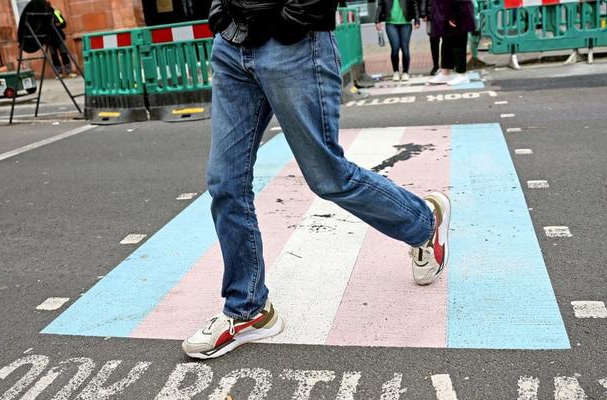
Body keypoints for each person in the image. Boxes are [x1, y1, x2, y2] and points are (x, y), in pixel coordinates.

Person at [181, 0, 452, 359]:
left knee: (327, 176)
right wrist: (219, 10)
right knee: (224, 182)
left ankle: (423, 221)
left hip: (292, 43)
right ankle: (248, 310)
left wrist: (295, 18)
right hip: (232, 42)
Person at [427, 0, 476, 85]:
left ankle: (462, 74)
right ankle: (445, 72)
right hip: (446, 11)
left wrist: (451, 15)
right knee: (446, 43)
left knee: (458, 43)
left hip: (457, 11)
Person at [376, 0, 422, 82]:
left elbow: (414, 3)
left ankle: (405, 72)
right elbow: (380, 4)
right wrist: (377, 20)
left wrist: (417, 20)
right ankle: (396, 71)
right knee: (395, 47)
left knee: (405, 48)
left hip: (406, 23)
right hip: (391, 23)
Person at [46, 2, 76, 78]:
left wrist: (57, 25)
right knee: (54, 56)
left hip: (59, 37)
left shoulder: (56, 12)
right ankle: (59, 73)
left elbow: (64, 24)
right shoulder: (42, 15)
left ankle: (68, 72)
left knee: (64, 54)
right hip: (49, 40)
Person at [422, 0, 441, 75]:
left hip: (445, 14)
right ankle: (436, 66)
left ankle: (448, 65)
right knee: (434, 41)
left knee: (447, 41)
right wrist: (423, 13)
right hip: (431, 16)